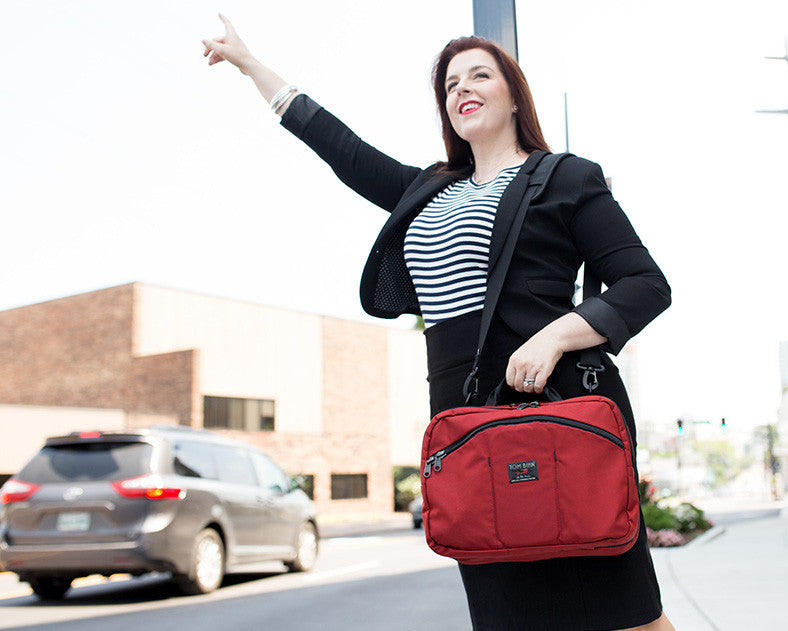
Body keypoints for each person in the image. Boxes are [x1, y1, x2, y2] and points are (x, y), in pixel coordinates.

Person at [203, 14, 674, 631]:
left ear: (513, 96)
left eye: (479, 75)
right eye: (450, 84)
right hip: (467, 422)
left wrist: (555, 336)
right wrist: (249, 65)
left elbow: (645, 284)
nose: (462, 89)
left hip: (558, 410)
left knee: (624, 612)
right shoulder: (426, 188)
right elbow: (340, 147)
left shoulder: (564, 177)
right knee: (506, 612)